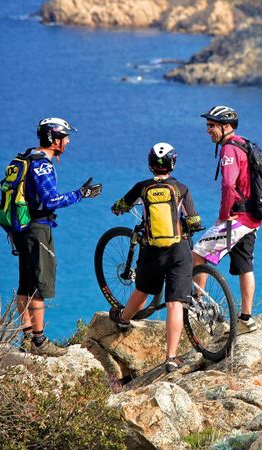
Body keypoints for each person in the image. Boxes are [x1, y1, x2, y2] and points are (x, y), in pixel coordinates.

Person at [108, 142, 202, 373]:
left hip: (152, 250)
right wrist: (189, 226)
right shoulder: (181, 188)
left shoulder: (142, 187)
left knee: (142, 290)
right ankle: (171, 358)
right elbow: (194, 220)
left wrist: (117, 208)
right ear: (173, 163)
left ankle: (124, 319)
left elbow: (121, 205)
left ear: (150, 164)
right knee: (174, 303)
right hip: (179, 249)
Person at [14, 117, 102, 357]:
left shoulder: (26, 157)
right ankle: (39, 341)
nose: (68, 142)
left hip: (21, 227)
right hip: (37, 229)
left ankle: (27, 337)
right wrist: (81, 194)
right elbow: (50, 200)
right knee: (39, 285)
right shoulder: (42, 165)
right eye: (65, 137)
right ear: (54, 139)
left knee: (25, 282)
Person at [193, 105, 261, 334]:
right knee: (245, 266)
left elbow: (228, 185)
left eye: (212, 125)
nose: (208, 130)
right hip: (252, 218)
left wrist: (223, 215)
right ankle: (246, 319)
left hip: (236, 218)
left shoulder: (229, 150)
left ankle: (197, 305)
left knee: (198, 254)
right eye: (207, 125)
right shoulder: (244, 143)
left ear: (226, 126)